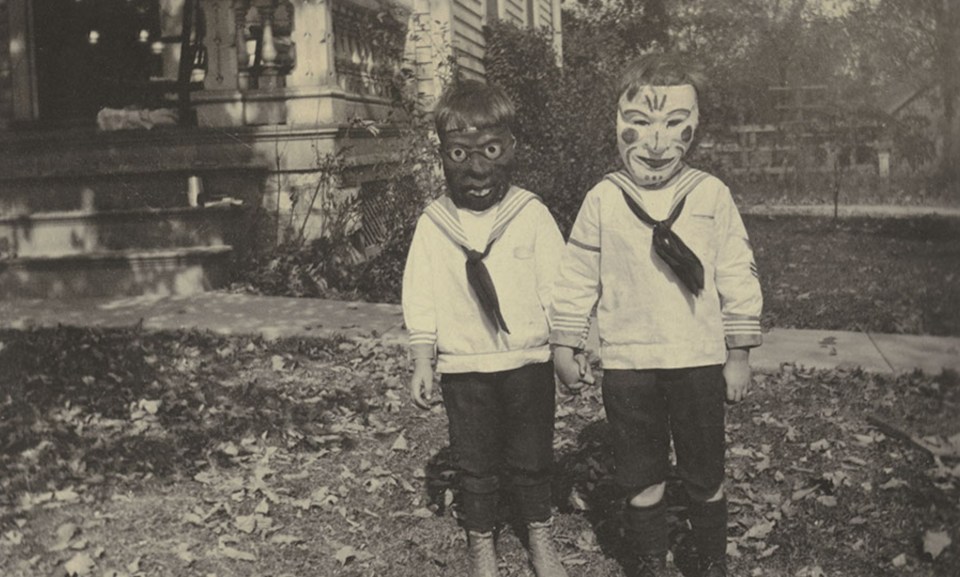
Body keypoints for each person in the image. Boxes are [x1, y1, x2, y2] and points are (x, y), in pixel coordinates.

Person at [550, 54, 763, 577]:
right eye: (639, 124)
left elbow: (737, 272)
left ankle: (710, 559)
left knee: (704, 468)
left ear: (694, 128)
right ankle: (648, 560)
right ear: (617, 125)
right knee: (641, 472)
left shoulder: (711, 195)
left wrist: (738, 354)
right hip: (629, 365)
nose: (655, 142)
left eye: (672, 125)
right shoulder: (603, 198)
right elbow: (577, 274)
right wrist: (564, 344)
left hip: (697, 359)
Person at [402, 80, 568, 577]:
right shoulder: (434, 225)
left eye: (491, 150)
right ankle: (482, 548)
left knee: (532, 454)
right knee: (474, 462)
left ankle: (539, 537)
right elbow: (421, 294)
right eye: (460, 153)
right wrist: (422, 360)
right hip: (465, 366)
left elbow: (556, 286)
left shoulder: (530, 215)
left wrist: (567, 345)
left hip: (527, 363)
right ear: (443, 156)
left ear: (511, 148)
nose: (477, 169)